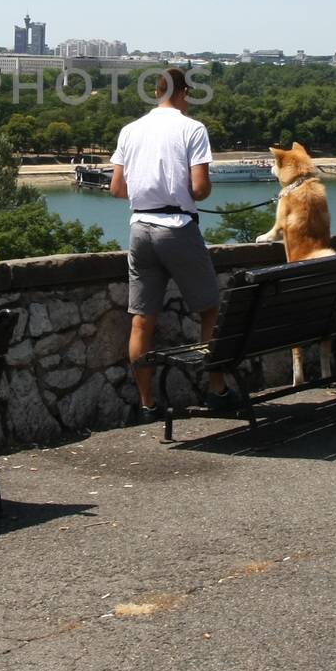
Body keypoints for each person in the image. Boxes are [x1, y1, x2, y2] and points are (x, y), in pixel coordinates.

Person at [109, 67, 235, 422]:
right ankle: (216, 390)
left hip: (140, 229)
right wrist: (182, 192)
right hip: (177, 228)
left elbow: (117, 189)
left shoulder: (130, 130)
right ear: (183, 93)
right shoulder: (192, 129)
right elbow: (199, 189)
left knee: (141, 322)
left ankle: (148, 403)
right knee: (211, 309)